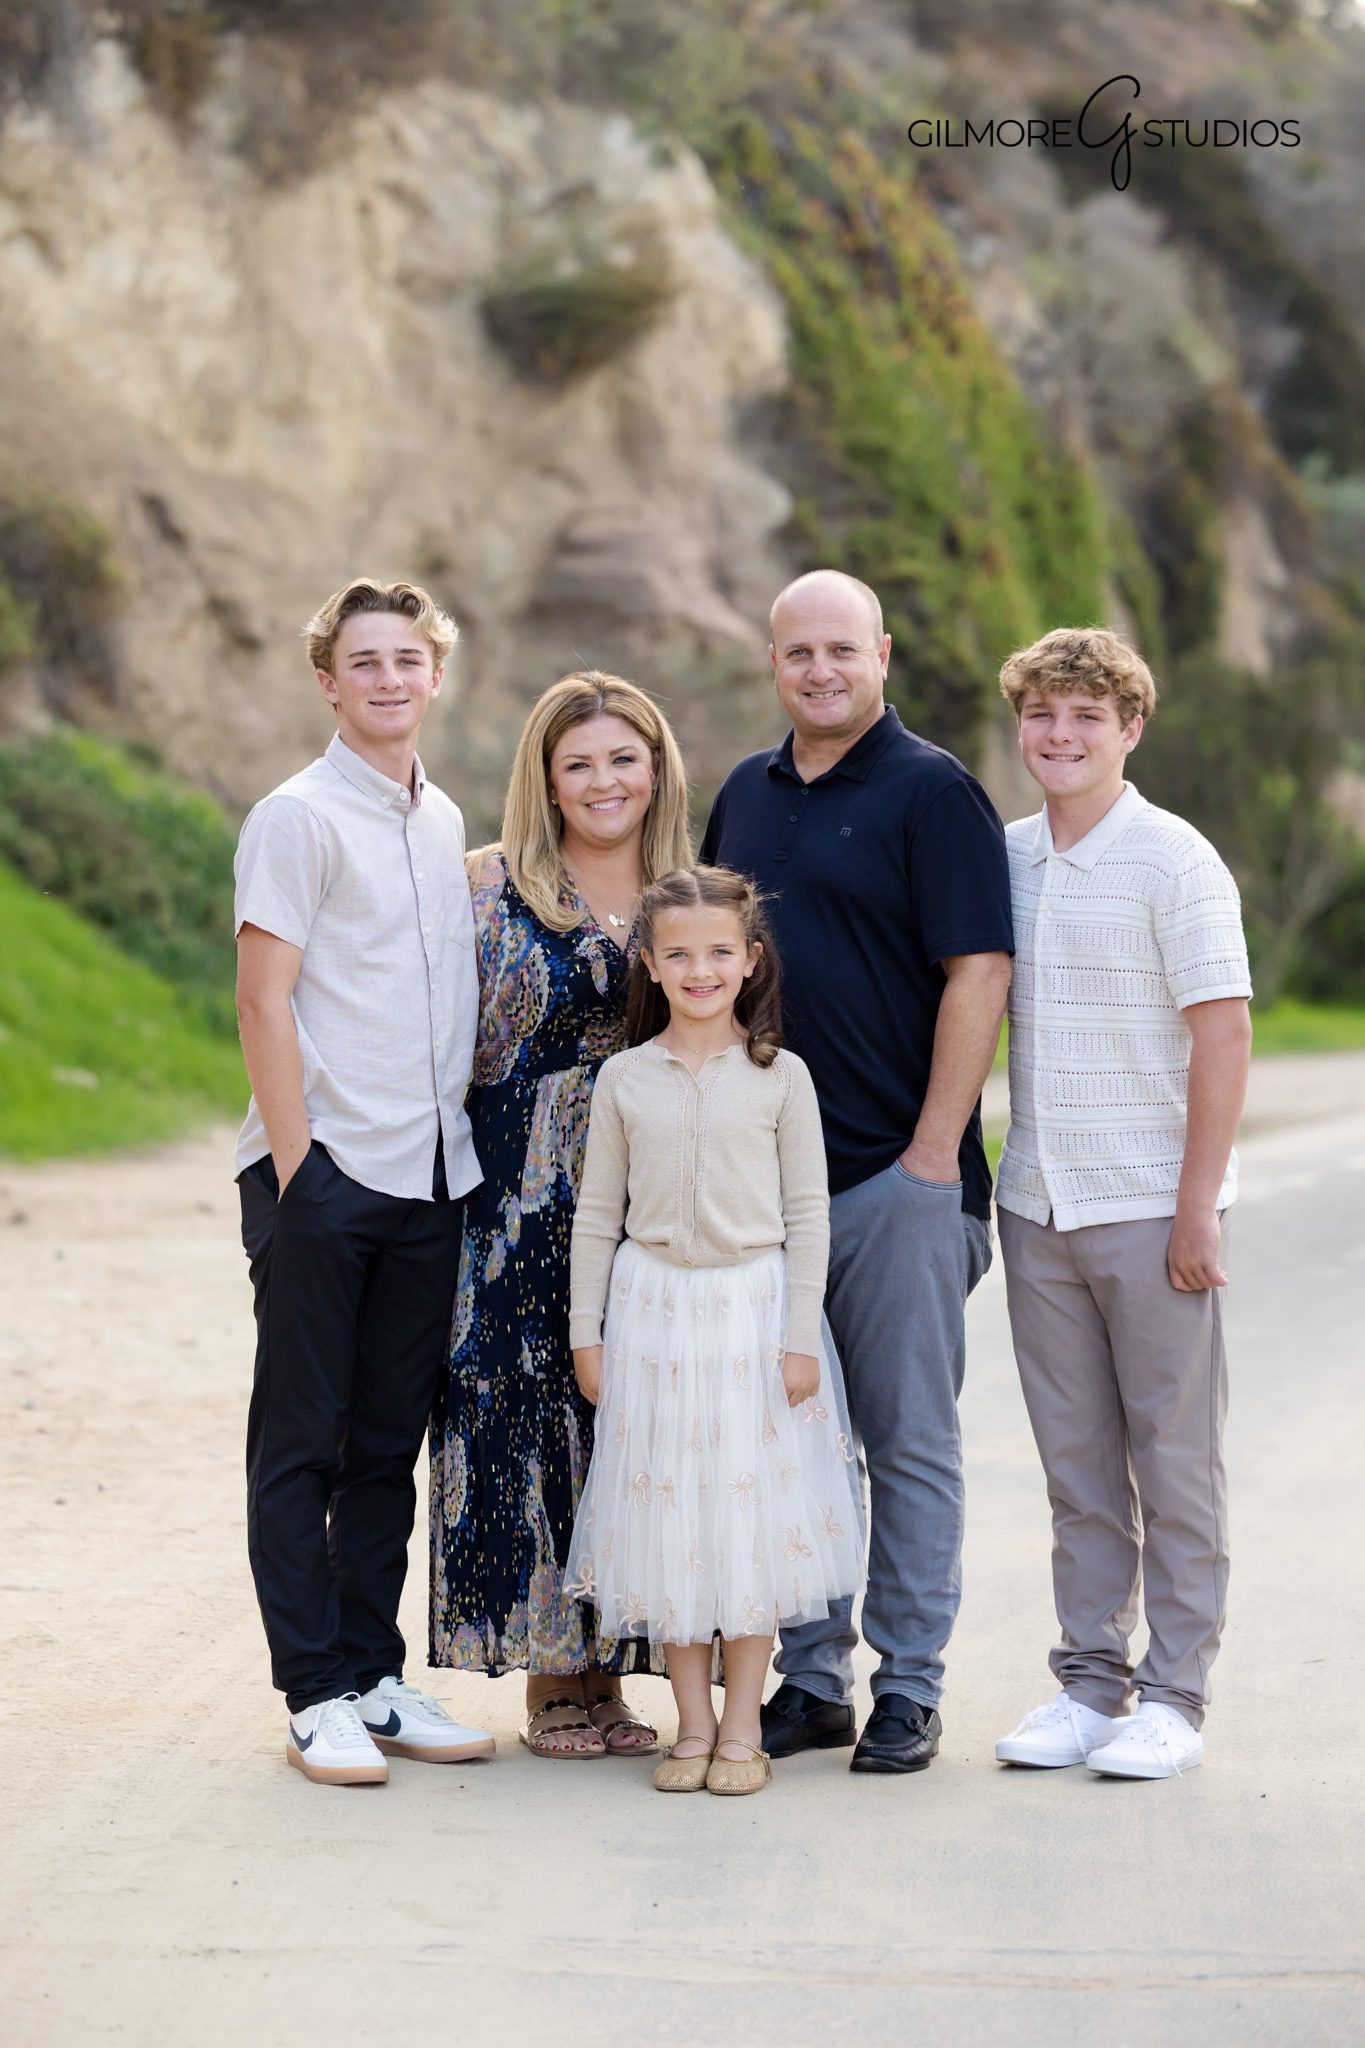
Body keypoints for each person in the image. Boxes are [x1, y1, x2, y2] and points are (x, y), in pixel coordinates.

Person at [700, 569, 1014, 1773]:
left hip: (898, 1180)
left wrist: (935, 1156)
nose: (820, 670)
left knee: (906, 1439)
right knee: (793, 1442)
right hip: (767, 1192)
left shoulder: (935, 793)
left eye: (842, 648)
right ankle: (814, 1676)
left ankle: (911, 1686)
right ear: (771, 661)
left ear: (882, 652)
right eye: (798, 652)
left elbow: (978, 974)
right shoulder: (745, 792)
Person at [235, 577, 494, 1786]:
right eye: (364, 661)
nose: (389, 678)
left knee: (388, 1438)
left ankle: (375, 1674)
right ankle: (313, 1691)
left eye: (408, 658)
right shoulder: (295, 816)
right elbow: (263, 994)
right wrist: (300, 1173)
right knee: (302, 1437)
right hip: (327, 1173)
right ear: (328, 681)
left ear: (434, 675)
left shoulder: (439, 819)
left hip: (432, 1173)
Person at [992, 627, 1252, 1780]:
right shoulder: (1004, 857)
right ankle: (1091, 1685)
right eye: (1043, 714)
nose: (1061, 735)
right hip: (1037, 1201)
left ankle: (1176, 1696)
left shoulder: (1176, 858)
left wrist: (1200, 1206)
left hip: (1153, 1205)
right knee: (1077, 1465)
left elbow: (1225, 1033)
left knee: (1174, 1458)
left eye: (1086, 717)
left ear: (1129, 728)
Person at [429, 673, 691, 1759]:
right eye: (578, 762)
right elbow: (436, 1046)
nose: (602, 780)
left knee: (628, 1426)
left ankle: (616, 1680)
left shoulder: (691, 891)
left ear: (657, 767)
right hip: (514, 1198)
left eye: (623, 758)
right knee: (520, 1419)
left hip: (652, 1200)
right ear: (545, 776)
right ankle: (551, 1682)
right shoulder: (485, 887)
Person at [564, 865, 864, 1796]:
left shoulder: (782, 1079)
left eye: (719, 953)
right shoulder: (624, 1079)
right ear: (650, 965)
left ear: (749, 960)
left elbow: (808, 1214)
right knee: (670, 1516)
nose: (700, 970)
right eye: (679, 954)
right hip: (652, 1314)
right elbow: (594, 1215)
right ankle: (689, 1726)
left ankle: (741, 1727)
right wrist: (588, 1333)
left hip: (750, 1310)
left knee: (744, 1519)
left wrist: (799, 1334)